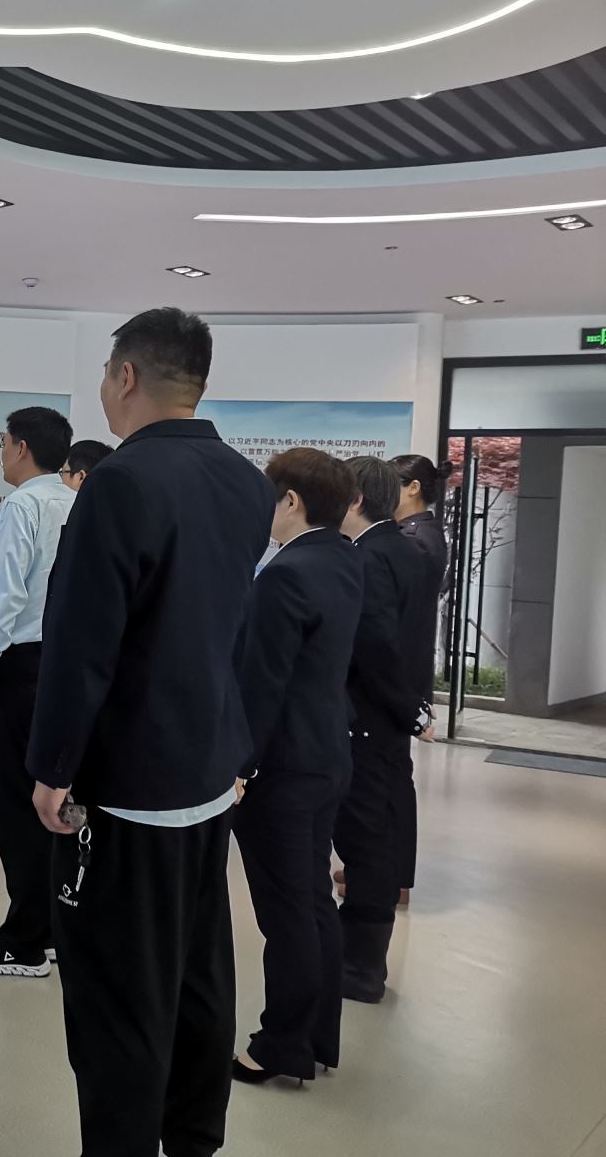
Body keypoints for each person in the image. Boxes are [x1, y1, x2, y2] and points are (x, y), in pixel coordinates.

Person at [26, 308, 275, 1157]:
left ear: (126, 376)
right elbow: (231, 632)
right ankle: (194, 1139)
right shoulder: (245, 483)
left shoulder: (121, 483)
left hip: (129, 787)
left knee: (118, 999)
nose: (104, 385)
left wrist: (53, 767)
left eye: (107, 371)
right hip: (205, 777)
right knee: (199, 974)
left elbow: (82, 644)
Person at [230, 449, 363, 1087]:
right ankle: (314, 1038)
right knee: (311, 902)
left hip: (284, 766)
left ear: (291, 501)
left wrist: (239, 766)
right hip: (326, 753)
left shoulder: (285, 574)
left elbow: (263, 685)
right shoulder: (343, 560)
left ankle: (281, 1043)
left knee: (287, 912)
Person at [0, 406, 77, 978]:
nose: (1, 453)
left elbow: (5, 593)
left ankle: (24, 939)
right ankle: (53, 925)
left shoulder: (22, 506)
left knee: (13, 801)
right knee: (54, 796)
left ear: (23, 447)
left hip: (17, 667)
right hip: (62, 666)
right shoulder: (75, 503)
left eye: (4, 443)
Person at [335, 456, 431, 1004]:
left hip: (368, 719)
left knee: (366, 840)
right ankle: (363, 961)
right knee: (378, 833)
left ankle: (361, 967)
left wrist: (407, 709)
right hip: (388, 717)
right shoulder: (405, 550)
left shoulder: (368, 557)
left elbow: (374, 645)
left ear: (353, 499)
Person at [390, 453, 451, 903]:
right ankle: (382, 868)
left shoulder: (415, 540)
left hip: (398, 673)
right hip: (403, 672)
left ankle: (393, 875)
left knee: (390, 778)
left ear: (413, 487)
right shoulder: (419, 534)